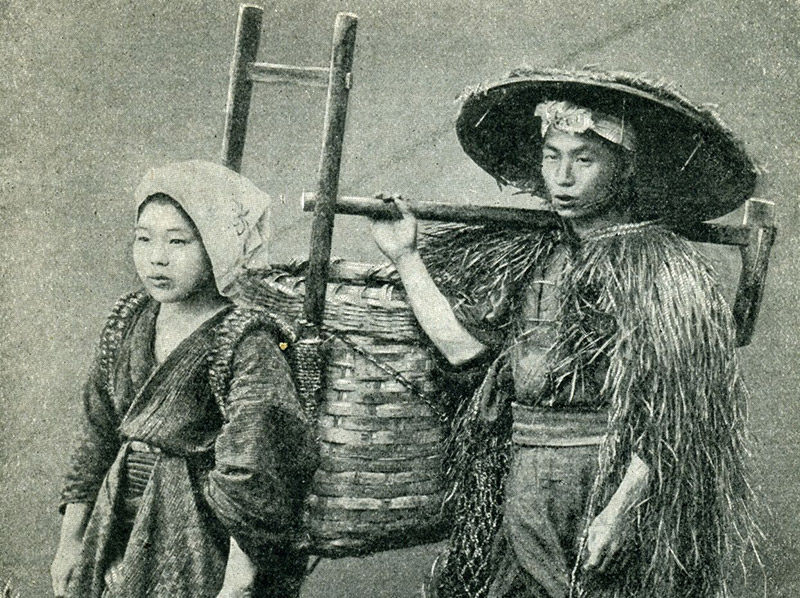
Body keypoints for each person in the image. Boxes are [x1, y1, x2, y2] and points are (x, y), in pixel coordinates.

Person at [370, 68, 760, 598]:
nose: (563, 177)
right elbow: (466, 353)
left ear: (623, 170)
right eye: (552, 156)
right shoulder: (537, 256)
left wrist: (620, 514)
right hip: (525, 485)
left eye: (584, 159)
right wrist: (406, 256)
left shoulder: (661, 269)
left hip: (604, 481)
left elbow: (679, 412)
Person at [50, 160, 318, 598]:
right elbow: (96, 434)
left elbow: (255, 470)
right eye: (143, 239)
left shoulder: (246, 341)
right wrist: (70, 542)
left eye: (178, 241)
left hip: (205, 539)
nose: (157, 257)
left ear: (215, 245)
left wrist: (237, 584)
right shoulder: (128, 321)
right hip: (116, 525)